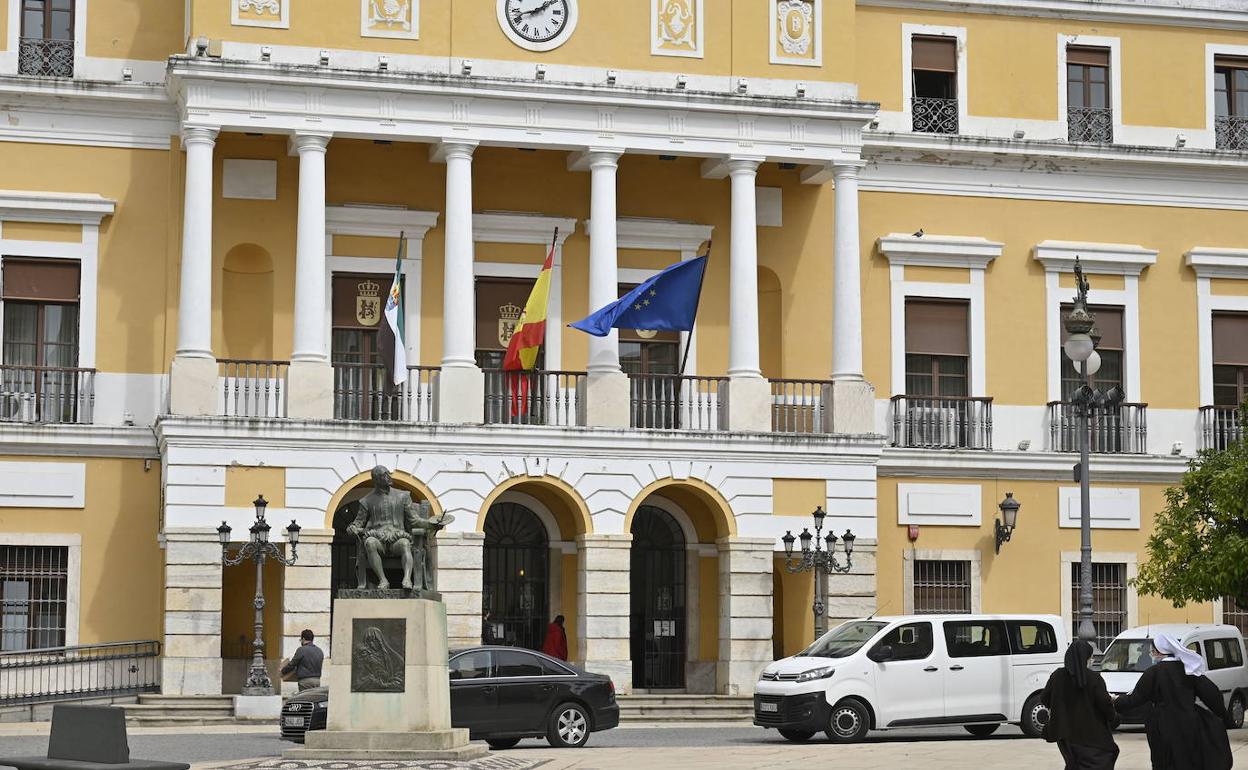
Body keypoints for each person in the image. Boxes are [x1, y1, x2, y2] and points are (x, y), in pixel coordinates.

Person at [1113, 634, 1234, 770]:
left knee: (1164, 762)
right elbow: (1212, 694)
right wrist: (1222, 715)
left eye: (1153, 651)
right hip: (1189, 723)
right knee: (1188, 760)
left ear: (1159, 652)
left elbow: (1135, 699)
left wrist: (1115, 702)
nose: (1152, 654)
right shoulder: (1188, 670)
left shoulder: (1153, 673)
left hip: (1162, 726)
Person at [1041, 639, 1120, 769]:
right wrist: (1114, 716)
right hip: (1092, 738)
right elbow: (1105, 706)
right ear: (1086, 658)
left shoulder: (1057, 676)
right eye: (1090, 657)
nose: (1092, 660)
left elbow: (1044, 698)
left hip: (1065, 736)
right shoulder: (1094, 679)